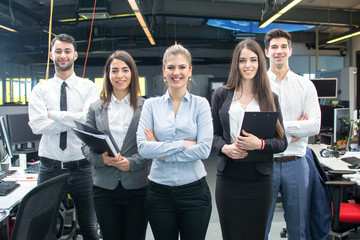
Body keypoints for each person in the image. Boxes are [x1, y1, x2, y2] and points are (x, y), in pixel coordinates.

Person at [211, 39, 288, 240]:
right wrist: (226, 148)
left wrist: (260, 144)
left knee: (256, 235)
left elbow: (282, 142)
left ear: (260, 63)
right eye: (242, 60)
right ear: (235, 64)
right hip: (228, 176)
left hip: (260, 179)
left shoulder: (269, 97)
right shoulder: (221, 94)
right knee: (231, 234)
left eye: (253, 60)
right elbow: (212, 136)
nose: (248, 65)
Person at [136, 43, 213, 240]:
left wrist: (160, 154)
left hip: (194, 191)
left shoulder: (201, 104)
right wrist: (184, 144)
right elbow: (143, 148)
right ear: (163, 71)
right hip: (159, 193)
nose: (176, 72)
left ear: (190, 70)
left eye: (181, 67)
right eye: (170, 67)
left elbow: (204, 150)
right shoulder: (150, 106)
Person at [28, 33, 100, 240]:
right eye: (58, 51)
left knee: (89, 228)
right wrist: (73, 121)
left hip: (83, 167)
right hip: (49, 168)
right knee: (44, 230)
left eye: (67, 51)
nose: (63, 55)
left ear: (75, 55)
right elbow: (37, 125)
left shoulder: (89, 88)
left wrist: (53, 114)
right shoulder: (40, 89)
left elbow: (87, 122)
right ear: (51, 55)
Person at [81, 50, 150, 240]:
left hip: (136, 187)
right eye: (114, 70)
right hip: (104, 189)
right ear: (108, 75)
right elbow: (85, 146)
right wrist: (101, 159)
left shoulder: (146, 107)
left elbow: (151, 146)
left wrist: (132, 163)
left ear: (132, 74)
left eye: (125, 70)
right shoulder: (95, 108)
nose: (120, 75)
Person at [264, 29, 321, 240]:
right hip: (265, 162)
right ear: (267, 52)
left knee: (298, 228)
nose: (279, 51)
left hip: (296, 162)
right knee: (261, 225)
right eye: (274, 47)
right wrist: (294, 130)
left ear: (290, 51)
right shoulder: (258, 84)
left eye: (283, 47)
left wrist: (277, 129)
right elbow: (255, 128)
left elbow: (315, 126)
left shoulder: (306, 85)